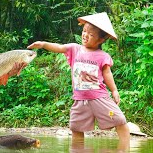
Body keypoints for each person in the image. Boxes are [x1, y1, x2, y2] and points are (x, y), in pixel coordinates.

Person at [27, 12, 130, 151]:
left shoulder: (102, 56)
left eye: (91, 34)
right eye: (84, 31)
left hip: (100, 98)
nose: (85, 35)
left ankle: (125, 148)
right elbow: (59, 47)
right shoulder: (75, 49)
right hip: (80, 100)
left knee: (119, 120)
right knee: (76, 128)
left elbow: (107, 74)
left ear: (100, 40)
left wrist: (114, 90)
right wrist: (44, 44)